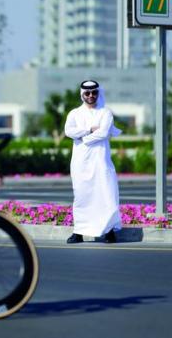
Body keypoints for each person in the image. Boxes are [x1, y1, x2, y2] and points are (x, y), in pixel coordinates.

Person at [64, 80, 122, 244]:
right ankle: (79, 232)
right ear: (82, 94)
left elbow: (103, 133)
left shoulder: (105, 113)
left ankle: (109, 231)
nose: (91, 96)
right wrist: (89, 130)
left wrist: (82, 138)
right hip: (80, 163)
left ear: (98, 93)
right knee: (82, 196)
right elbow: (68, 131)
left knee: (106, 195)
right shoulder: (74, 113)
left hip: (101, 161)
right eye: (87, 93)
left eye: (94, 93)